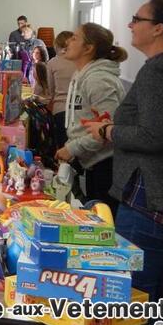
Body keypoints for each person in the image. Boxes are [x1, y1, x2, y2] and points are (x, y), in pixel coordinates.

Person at [83, 0, 163, 325]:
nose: (131, 25)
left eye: (138, 19)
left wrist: (109, 131)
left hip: (152, 202)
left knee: (135, 302)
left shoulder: (158, 71)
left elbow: (153, 136)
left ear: (159, 28)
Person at [55, 24, 126, 212]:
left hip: (105, 166)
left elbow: (108, 129)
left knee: (102, 220)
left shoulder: (98, 80)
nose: (69, 41)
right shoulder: (82, 75)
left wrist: (72, 148)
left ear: (88, 48)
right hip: (91, 162)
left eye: (75, 38)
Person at [46, 30, 75, 147]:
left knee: (63, 147)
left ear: (56, 45)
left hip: (60, 109)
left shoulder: (53, 63)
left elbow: (50, 90)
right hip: (79, 110)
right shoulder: (80, 61)